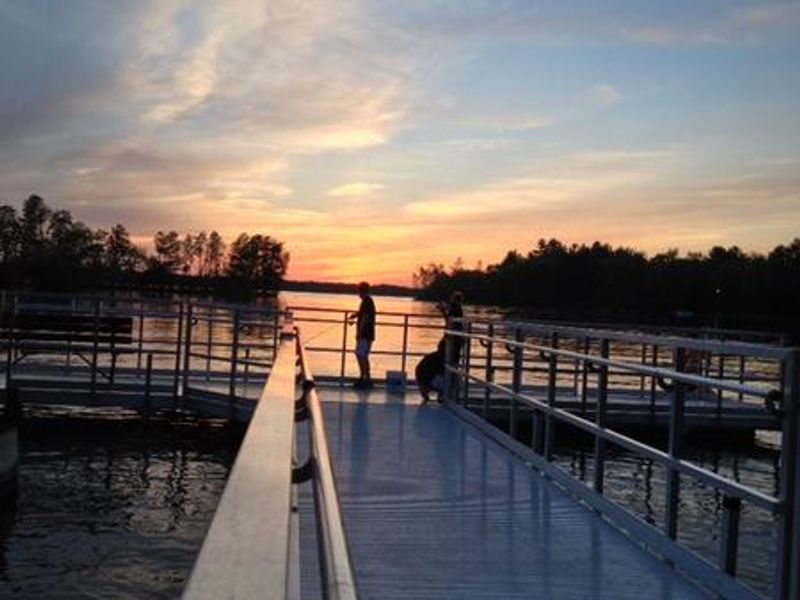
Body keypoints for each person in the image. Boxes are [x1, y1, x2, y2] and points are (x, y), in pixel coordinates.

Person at [416, 291, 465, 403]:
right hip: (451, 343)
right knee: (448, 368)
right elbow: (450, 321)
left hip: (451, 343)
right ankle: (441, 392)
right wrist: (443, 310)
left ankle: (438, 391)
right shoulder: (457, 310)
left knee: (444, 367)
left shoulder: (455, 309)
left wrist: (443, 310)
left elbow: (450, 322)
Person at [349, 281, 376, 388]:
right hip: (368, 334)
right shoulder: (367, 301)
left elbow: (365, 317)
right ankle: (365, 377)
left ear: (362, 291)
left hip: (365, 334)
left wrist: (359, 332)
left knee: (361, 355)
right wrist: (355, 315)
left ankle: (365, 377)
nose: (358, 294)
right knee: (362, 355)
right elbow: (363, 313)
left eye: (359, 291)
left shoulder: (367, 301)